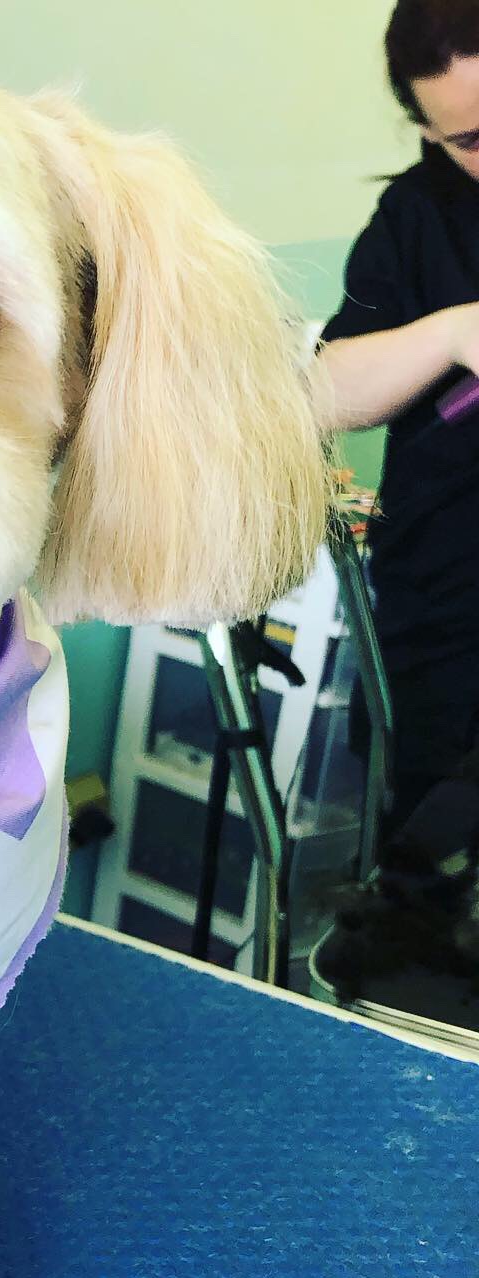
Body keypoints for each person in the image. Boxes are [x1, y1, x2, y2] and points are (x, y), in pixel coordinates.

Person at [317, 0, 479, 832]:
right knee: (431, 847)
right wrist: (452, 333)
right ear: (426, 131)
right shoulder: (417, 217)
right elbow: (324, 393)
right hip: (452, 606)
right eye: (472, 140)